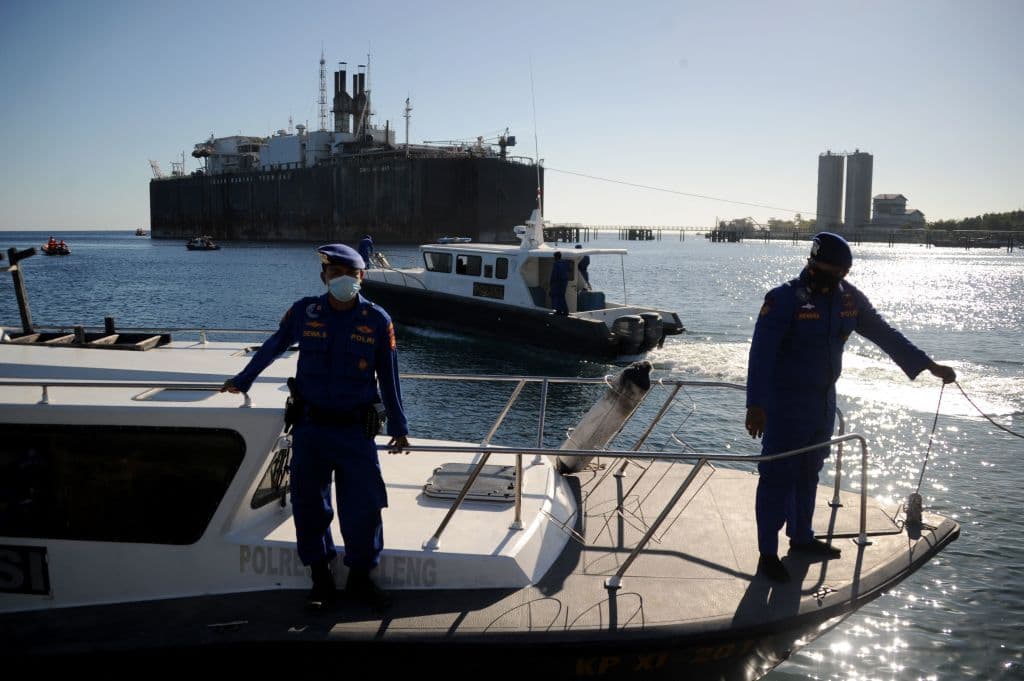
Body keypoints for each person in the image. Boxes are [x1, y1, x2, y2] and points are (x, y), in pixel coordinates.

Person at [745, 232, 956, 583]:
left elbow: (884, 333)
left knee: (810, 471)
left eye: (843, 272)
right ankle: (767, 553)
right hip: (785, 403)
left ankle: (801, 537)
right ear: (813, 264)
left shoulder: (848, 299)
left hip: (823, 402)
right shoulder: (783, 299)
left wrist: (928, 365)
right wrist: (755, 404)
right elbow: (761, 355)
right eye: (832, 271)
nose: (837, 278)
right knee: (777, 476)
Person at [221, 243, 410, 608]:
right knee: (309, 507)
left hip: (356, 432)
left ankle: (360, 580)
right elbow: (274, 345)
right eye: (335, 274)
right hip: (311, 429)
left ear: (362, 277)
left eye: (350, 275)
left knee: (364, 507)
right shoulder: (304, 312)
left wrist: (399, 426)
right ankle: (321, 580)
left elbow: (389, 376)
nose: (343, 280)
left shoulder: (377, 320)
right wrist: (244, 379)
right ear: (324, 277)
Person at [550, 250, 570, 315]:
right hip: (564, 282)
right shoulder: (565, 263)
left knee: (557, 296)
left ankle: (562, 310)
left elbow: (554, 275)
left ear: (556, 257)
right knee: (561, 296)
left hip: (558, 283)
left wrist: (551, 283)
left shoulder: (556, 264)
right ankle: (562, 310)